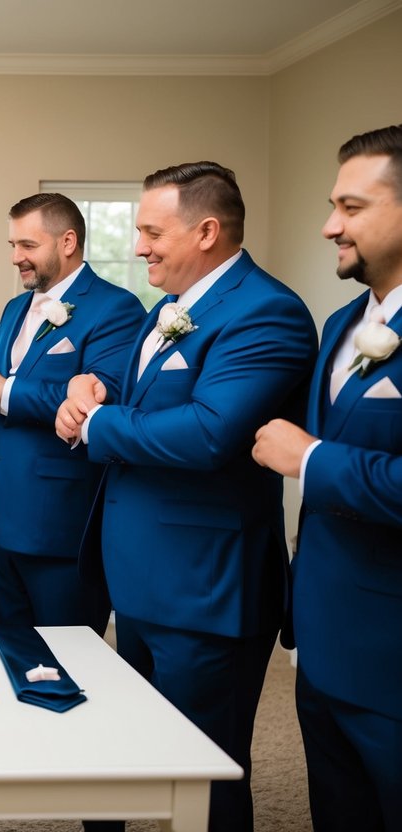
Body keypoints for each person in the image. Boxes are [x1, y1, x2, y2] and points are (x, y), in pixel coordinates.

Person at [55, 162, 317, 832]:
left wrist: (97, 425)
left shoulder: (268, 314)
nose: (138, 245)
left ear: (205, 231)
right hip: (141, 580)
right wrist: (87, 386)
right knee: (132, 743)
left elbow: (207, 433)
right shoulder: (167, 308)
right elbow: (124, 378)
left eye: (150, 231)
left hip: (206, 590)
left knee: (204, 771)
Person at [252, 124, 402, 832]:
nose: (327, 226)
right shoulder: (342, 323)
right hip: (321, 636)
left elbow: (314, 453)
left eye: (350, 207)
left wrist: (311, 460)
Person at [0, 193, 144, 635]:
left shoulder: (117, 308)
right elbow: (5, 392)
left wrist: (3, 388)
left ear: (67, 241)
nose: (16, 257)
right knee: (14, 651)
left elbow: (101, 401)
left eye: (27, 245)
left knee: (69, 658)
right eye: (13, 245)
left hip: (60, 523)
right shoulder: (16, 308)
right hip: (0, 521)